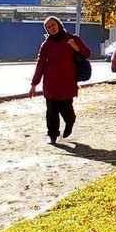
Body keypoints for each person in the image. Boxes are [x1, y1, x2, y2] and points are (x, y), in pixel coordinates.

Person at [30, 15, 91, 144]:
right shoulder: (46, 45)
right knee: (51, 110)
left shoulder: (72, 39)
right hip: (50, 83)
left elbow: (87, 53)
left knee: (66, 109)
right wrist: (34, 84)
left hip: (67, 82)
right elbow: (40, 64)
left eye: (53, 25)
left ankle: (70, 121)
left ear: (58, 24)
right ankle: (52, 136)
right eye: (48, 27)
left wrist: (76, 47)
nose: (51, 28)